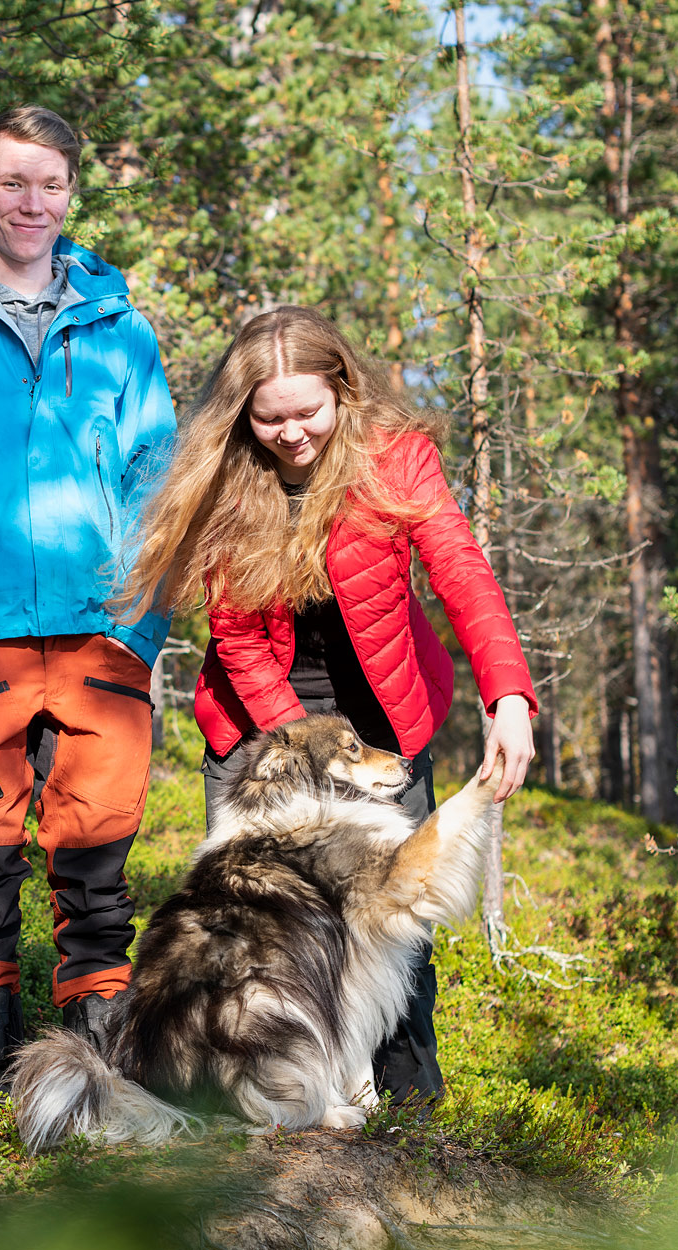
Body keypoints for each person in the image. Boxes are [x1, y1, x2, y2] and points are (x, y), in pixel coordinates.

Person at [115, 304, 537, 1103]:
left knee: (392, 915)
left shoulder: (397, 460)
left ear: (342, 390)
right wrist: (302, 760)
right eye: (269, 418)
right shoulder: (229, 479)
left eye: (308, 412)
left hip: (384, 715)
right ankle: (247, 1100)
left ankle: (413, 1104)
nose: (291, 434)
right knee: (255, 926)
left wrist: (508, 695)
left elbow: (462, 571)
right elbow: (238, 641)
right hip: (260, 726)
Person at [0, 105, 178, 1087]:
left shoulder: (117, 324)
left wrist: (138, 626)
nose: (31, 202)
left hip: (100, 636)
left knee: (95, 874)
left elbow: (156, 480)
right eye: (13, 182)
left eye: (49, 183)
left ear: (70, 191)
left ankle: (99, 1076)